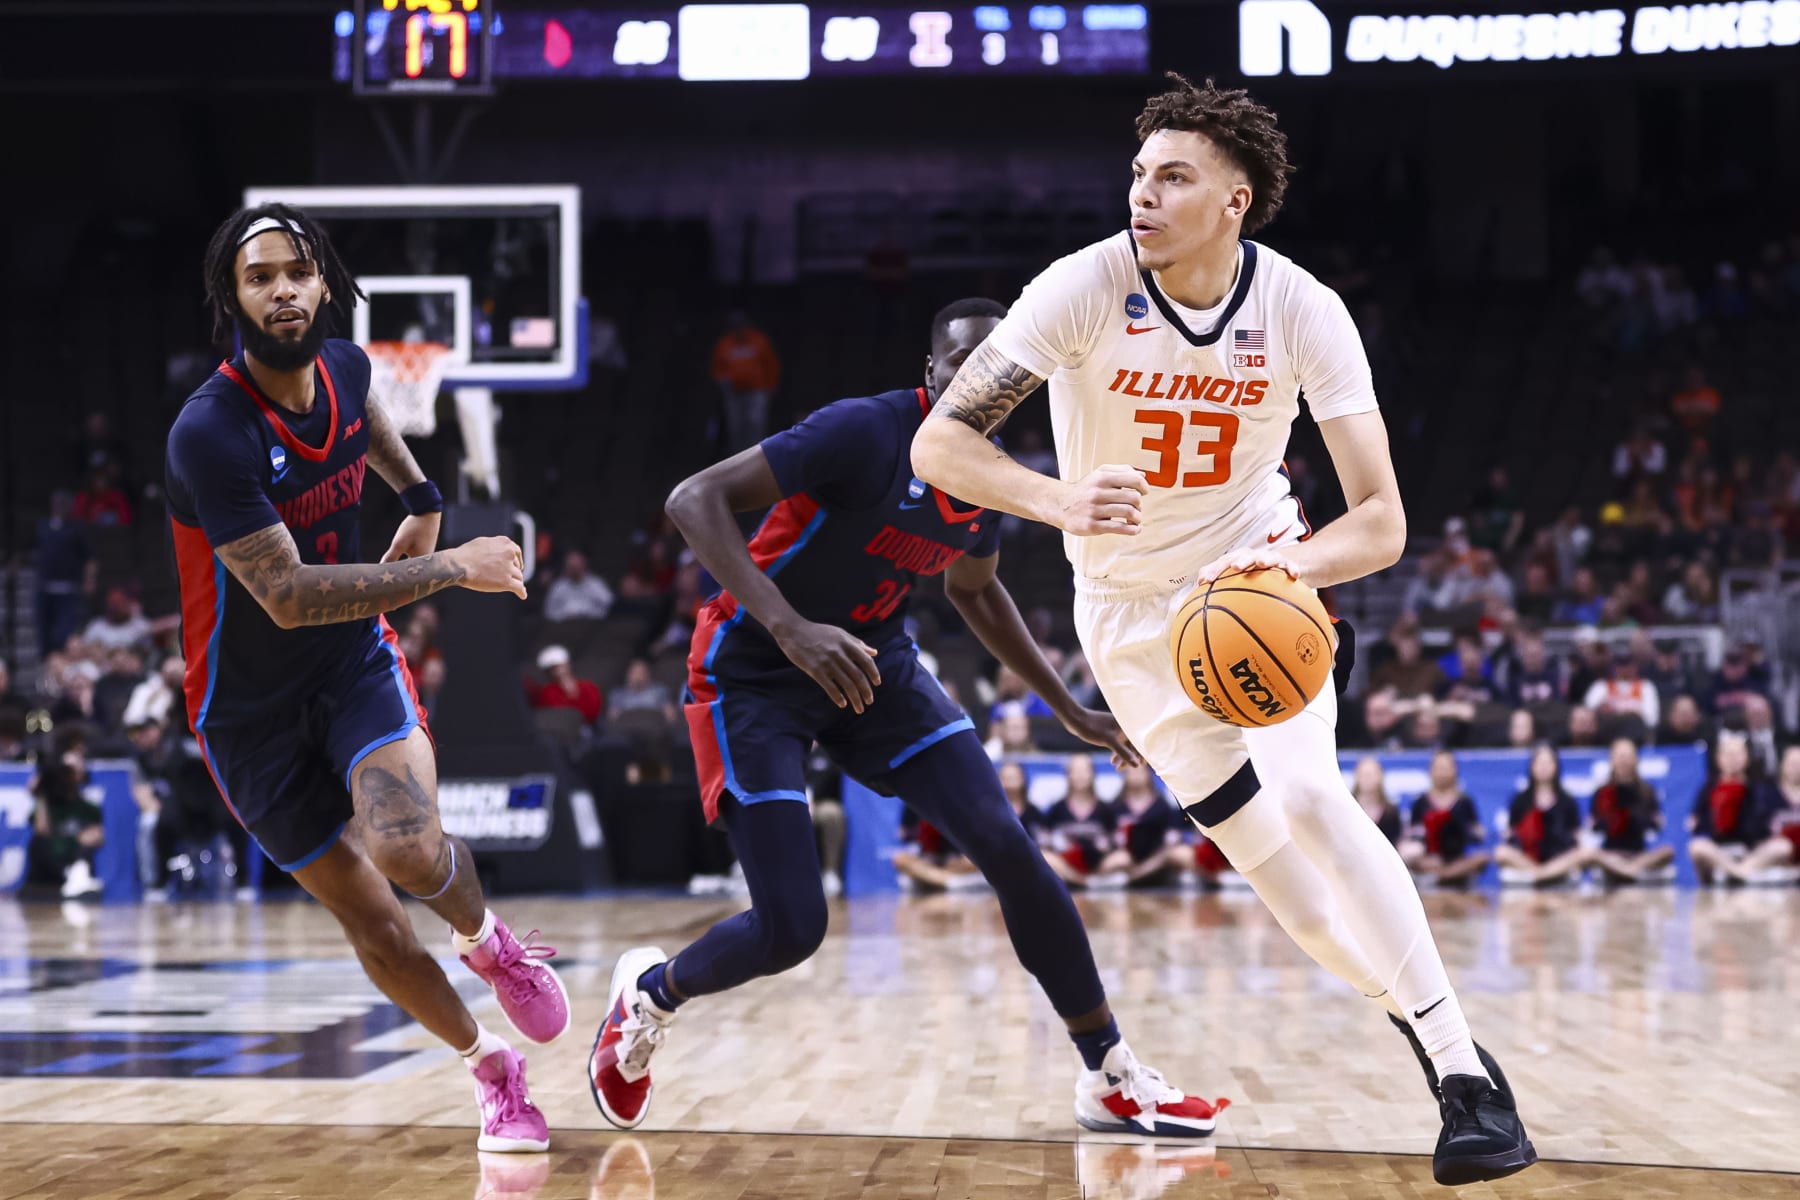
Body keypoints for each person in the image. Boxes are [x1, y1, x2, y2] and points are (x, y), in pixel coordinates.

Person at [908, 74, 1532, 1184]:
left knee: (1310, 797)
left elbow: (1382, 519)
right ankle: (1425, 1019)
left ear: (1235, 200)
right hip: (1129, 626)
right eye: (1140, 174)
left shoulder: (1302, 310)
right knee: (1285, 889)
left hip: (1256, 591)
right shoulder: (1081, 287)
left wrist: (1286, 563)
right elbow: (940, 446)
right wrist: (1054, 499)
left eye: (1174, 178)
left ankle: (1465, 1084)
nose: (1143, 195)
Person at [591, 298, 1223, 1141]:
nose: (979, 376)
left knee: (1010, 848)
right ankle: (651, 995)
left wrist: (1067, 705)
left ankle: (1107, 1074)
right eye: (961, 360)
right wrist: (791, 628)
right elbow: (693, 499)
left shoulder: (987, 476)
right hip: (752, 670)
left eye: (999, 366)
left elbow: (974, 589)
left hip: (872, 668)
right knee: (793, 927)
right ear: (931, 373)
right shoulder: (865, 431)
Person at [165, 204, 567, 1152]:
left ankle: (489, 943)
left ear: (325, 282)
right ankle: (489, 1069)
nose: (282, 291)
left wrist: (421, 497)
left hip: (348, 665)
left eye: (296, 272)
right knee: (376, 922)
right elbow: (292, 595)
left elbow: (370, 425)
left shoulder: (346, 367)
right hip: (244, 715)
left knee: (409, 848)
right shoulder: (210, 433)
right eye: (259, 276)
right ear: (233, 295)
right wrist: (449, 562)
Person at [1686, 734, 1776, 884]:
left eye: (1737, 753)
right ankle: (1737, 872)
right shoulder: (1708, 789)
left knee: (1781, 847)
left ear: (1747, 758)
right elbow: (1698, 825)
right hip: (1718, 850)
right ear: (1718, 758)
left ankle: (1739, 871)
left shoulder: (1758, 788)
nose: (1732, 758)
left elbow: (1764, 826)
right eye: (1727, 754)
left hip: (1750, 850)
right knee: (1697, 847)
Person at [1492, 744, 1586, 886]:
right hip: (1527, 860)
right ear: (1532, 766)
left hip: (1559, 859)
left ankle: (1540, 875)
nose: (1544, 767)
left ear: (1556, 766)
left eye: (1548, 762)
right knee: (1501, 852)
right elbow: (1510, 834)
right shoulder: (1520, 800)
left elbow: (1576, 835)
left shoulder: (1568, 801)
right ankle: (1542, 874)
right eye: (1539, 762)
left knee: (1585, 853)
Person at [28, 725, 104, 898]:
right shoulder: (48, 802)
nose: (76, 760)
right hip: (48, 875)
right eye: (73, 752)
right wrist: (41, 792)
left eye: (80, 755)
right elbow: (41, 830)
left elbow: (98, 835)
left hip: (75, 864)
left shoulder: (88, 807)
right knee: (38, 843)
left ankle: (76, 874)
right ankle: (70, 874)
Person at [1587, 738, 1675, 882]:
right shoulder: (1602, 792)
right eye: (1620, 756)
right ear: (1612, 759)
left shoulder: (1646, 791)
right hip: (1611, 855)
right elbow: (1595, 827)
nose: (1624, 761)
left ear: (1635, 759)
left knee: (1667, 851)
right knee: (1589, 855)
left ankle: (1627, 870)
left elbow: (1654, 825)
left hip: (1639, 854)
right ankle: (1629, 871)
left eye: (1627, 756)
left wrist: (1634, 814)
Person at [1400, 751, 1491, 886]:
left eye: (1446, 768)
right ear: (1431, 771)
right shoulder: (1420, 802)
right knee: (1408, 857)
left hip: (1457, 860)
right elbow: (1413, 836)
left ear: (1455, 771)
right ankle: (1444, 875)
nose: (1442, 773)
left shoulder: (1464, 801)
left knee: (1482, 858)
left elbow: (1477, 834)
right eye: (1439, 768)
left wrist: (1470, 831)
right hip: (1429, 859)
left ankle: (1443, 875)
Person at [1100, 763, 1187, 887]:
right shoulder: (1116, 806)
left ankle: (1134, 877)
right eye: (1132, 772)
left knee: (1177, 853)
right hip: (1127, 857)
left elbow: (1173, 835)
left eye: (1140, 771)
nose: (1136, 776)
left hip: (1157, 857)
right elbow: (1107, 835)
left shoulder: (1162, 805)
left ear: (1148, 775)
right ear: (1125, 776)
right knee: (1119, 858)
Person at [1042, 753, 1122, 888]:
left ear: (1092, 775)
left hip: (1098, 865)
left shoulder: (1105, 809)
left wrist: (1106, 846)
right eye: (1076, 771)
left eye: (1085, 771)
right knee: (1045, 856)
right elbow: (1045, 842)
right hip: (1066, 863)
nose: (1080, 776)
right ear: (1068, 775)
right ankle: (1083, 882)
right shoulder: (1057, 809)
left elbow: (1116, 842)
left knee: (1122, 858)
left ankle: (1091, 879)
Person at [1723, 746, 1800, 883]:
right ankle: (1740, 872)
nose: (1796, 768)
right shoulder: (1766, 793)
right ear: (1782, 765)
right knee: (1782, 847)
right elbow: (1753, 827)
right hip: (1773, 850)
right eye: (1792, 763)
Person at [711, 310, 782, 452]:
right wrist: (722, 381)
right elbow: (717, 367)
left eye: (741, 327)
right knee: (735, 426)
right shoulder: (725, 344)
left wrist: (772, 385)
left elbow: (771, 364)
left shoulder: (759, 340)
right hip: (734, 392)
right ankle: (737, 457)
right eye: (735, 327)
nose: (739, 331)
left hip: (757, 391)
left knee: (755, 424)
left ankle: (757, 455)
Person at [526, 645, 604, 728]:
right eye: (553, 668)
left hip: (591, 728)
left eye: (559, 666)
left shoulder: (588, 686)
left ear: (567, 664)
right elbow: (557, 715)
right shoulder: (547, 692)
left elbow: (594, 711)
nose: (558, 670)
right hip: (563, 731)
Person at [543, 551, 615, 623]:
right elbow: (549, 611)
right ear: (566, 567)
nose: (574, 570)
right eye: (571, 567)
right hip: (564, 626)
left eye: (576, 566)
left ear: (584, 566)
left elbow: (609, 604)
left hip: (592, 625)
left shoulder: (595, 584)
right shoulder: (558, 587)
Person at [1350, 756, 1403, 846]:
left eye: (1370, 775)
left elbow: (1397, 841)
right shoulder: (1348, 809)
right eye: (1363, 775)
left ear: (1380, 777)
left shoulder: (1391, 812)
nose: (1367, 779)